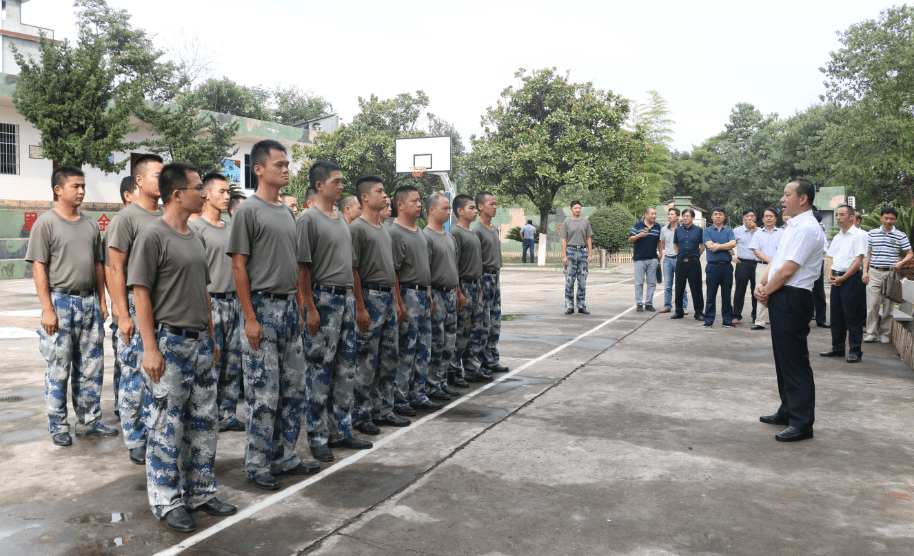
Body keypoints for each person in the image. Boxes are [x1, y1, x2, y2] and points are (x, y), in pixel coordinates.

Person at [128, 162, 237, 532]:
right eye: (196, 188)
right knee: (165, 425)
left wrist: (210, 335)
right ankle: (166, 500)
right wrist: (150, 347)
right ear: (177, 194)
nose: (203, 194)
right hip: (169, 342)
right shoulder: (152, 235)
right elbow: (140, 293)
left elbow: (203, 291)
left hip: (201, 344)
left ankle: (201, 492)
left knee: (204, 422)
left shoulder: (195, 236)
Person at [227, 140, 318, 491]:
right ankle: (257, 462)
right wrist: (250, 317)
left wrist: (303, 304)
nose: (286, 169)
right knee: (263, 393)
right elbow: (239, 266)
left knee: (293, 389)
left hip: (288, 309)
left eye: (287, 164)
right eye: (279, 164)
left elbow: (296, 266)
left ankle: (285, 455)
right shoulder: (247, 211)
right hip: (262, 308)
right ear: (259, 169)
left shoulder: (287, 212)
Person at [26, 166, 116, 447]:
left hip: (89, 301)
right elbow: (39, 267)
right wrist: (47, 309)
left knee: (92, 367)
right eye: (75, 186)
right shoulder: (46, 224)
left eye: (83, 186)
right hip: (60, 302)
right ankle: (58, 424)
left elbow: (98, 265)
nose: (81, 191)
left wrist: (102, 301)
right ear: (58, 189)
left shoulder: (90, 224)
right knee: (59, 367)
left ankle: (89, 422)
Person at [298, 163, 372, 462]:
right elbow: (302, 268)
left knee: (346, 368)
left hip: (345, 301)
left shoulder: (341, 219)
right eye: (336, 181)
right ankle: (317, 435)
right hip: (323, 299)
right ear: (319, 185)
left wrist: (356, 303)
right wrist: (310, 308)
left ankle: (342, 428)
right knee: (319, 370)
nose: (342, 186)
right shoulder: (308, 219)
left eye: (342, 181)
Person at [755, 179, 825, 442]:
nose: (782, 199)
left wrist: (767, 291)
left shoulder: (807, 229)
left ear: (803, 198)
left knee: (795, 361)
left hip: (793, 297)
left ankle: (802, 423)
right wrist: (762, 285)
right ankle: (788, 409)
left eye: (787, 195)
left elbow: (788, 270)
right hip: (781, 295)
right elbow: (777, 263)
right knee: (783, 359)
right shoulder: (793, 227)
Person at [106, 153, 164, 465]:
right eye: (156, 175)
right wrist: (122, 314)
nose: (162, 180)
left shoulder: (167, 216)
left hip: (162, 304)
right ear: (138, 181)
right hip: (132, 302)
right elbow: (115, 268)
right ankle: (136, 437)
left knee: (158, 373)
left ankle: (157, 431)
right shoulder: (126, 219)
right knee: (132, 374)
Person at [349, 175, 413, 432]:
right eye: (380, 191)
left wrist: (397, 301)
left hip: (387, 297)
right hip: (370, 296)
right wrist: (360, 306)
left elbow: (392, 271)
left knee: (389, 356)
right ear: (365, 197)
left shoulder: (384, 230)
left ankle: (383, 409)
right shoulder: (357, 229)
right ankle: (362, 414)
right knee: (366, 358)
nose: (385, 196)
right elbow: (354, 271)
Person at [189, 173, 244, 433]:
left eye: (228, 193)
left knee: (233, 363)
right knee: (211, 360)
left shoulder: (232, 229)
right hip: (210, 302)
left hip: (234, 301)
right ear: (206, 194)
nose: (226, 197)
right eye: (221, 192)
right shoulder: (196, 228)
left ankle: (228, 414)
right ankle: (207, 415)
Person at [390, 186, 442, 414]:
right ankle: (400, 399)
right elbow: (394, 272)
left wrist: (429, 295)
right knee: (406, 349)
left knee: (424, 348)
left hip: (423, 294)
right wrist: (399, 302)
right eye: (414, 201)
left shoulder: (419, 231)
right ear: (400, 205)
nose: (419, 204)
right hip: (408, 294)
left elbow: (426, 268)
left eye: (420, 200)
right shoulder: (395, 233)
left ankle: (418, 393)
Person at [423, 193, 464, 401]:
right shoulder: (427, 236)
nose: (449, 212)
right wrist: (429, 296)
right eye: (445, 208)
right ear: (432, 210)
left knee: (449, 341)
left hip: (449, 293)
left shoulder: (448, 236)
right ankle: (431, 384)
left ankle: (441, 380)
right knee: (436, 342)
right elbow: (425, 270)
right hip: (437, 293)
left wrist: (457, 291)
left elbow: (454, 265)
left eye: (449, 208)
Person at [821, 205, 867, 363]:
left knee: (852, 316)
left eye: (842, 215)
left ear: (852, 218)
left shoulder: (859, 235)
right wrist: (830, 274)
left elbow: (858, 260)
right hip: (836, 278)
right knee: (836, 315)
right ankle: (838, 348)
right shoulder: (838, 236)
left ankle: (855, 351)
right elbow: (830, 257)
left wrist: (844, 277)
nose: (838, 218)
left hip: (851, 279)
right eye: (837, 215)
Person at [450, 195, 488, 384]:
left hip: (475, 285)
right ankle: (455, 371)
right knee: (461, 331)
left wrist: (479, 287)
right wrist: (458, 291)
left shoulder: (472, 233)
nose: (475, 211)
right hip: (463, 285)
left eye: (475, 208)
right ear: (460, 211)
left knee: (476, 329)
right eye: (471, 208)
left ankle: (473, 368)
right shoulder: (456, 234)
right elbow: (455, 264)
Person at [862, 206, 914, 343]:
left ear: (895, 220)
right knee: (872, 305)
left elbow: (910, 254)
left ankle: (885, 334)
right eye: (886, 217)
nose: (888, 221)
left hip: (891, 275)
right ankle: (871, 333)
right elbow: (868, 254)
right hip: (873, 272)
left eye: (892, 218)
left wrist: (900, 264)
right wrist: (864, 272)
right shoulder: (872, 234)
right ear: (881, 218)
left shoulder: (900, 235)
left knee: (888, 307)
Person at [109, 175, 138, 416]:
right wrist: (118, 306)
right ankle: (123, 408)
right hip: (127, 299)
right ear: (128, 195)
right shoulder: (120, 222)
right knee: (126, 360)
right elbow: (111, 267)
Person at [474, 192, 509, 373]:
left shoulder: (494, 229)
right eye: (491, 204)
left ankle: (492, 358)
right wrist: (479, 284)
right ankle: (481, 360)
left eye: (496, 204)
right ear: (481, 206)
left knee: (495, 321)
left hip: (495, 277)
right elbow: (476, 260)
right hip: (484, 277)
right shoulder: (477, 231)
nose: (494, 207)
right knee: (484, 321)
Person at [748, 208, 782, 330]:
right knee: (761, 291)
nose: (768, 218)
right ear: (762, 219)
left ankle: (778, 321)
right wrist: (769, 261)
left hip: (779, 267)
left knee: (779, 292)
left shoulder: (782, 233)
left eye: (771, 216)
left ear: (775, 218)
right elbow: (755, 250)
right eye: (766, 216)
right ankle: (760, 321)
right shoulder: (757, 234)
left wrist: (774, 262)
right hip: (762, 265)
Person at [702, 207, 737, 328]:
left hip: (727, 267)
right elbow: (710, 246)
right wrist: (727, 248)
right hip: (712, 267)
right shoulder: (707, 231)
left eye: (720, 214)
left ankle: (727, 320)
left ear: (724, 217)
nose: (718, 216)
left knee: (726, 295)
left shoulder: (729, 231)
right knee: (711, 294)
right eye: (715, 214)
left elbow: (733, 243)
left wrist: (720, 246)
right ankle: (708, 320)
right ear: (711, 217)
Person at [561, 201, 594, 315]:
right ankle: (569, 306)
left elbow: (589, 238)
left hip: (583, 251)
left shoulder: (585, 222)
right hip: (570, 251)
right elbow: (564, 240)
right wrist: (564, 256)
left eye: (579, 208)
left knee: (582, 280)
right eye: (575, 208)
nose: (577, 210)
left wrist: (590, 254)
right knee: (569, 280)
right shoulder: (567, 222)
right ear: (571, 209)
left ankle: (581, 305)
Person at [671, 208, 703, 320]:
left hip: (694, 262)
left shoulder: (699, 230)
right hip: (680, 262)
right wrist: (679, 254)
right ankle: (678, 312)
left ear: (693, 218)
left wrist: (697, 254)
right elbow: (675, 244)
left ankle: (698, 312)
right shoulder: (678, 230)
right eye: (684, 216)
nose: (685, 218)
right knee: (679, 288)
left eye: (687, 216)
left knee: (696, 288)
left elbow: (703, 244)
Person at [629, 207, 662, 312]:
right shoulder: (638, 225)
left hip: (652, 258)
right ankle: (639, 303)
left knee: (652, 282)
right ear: (646, 214)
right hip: (639, 259)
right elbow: (630, 239)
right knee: (639, 283)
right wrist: (639, 235)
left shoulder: (657, 226)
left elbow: (659, 241)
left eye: (655, 214)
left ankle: (649, 303)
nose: (654, 216)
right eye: (652, 213)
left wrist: (661, 252)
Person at [732, 208, 760, 325]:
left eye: (752, 216)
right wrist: (732, 256)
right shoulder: (736, 231)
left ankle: (756, 316)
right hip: (742, 263)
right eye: (747, 216)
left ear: (755, 218)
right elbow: (729, 244)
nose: (750, 218)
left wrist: (755, 228)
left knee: (757, 290)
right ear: (743, 218)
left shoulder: (760, 231)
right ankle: (736, 315)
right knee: (740, 290)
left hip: (757, 264)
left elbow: (764, 242)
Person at [659, 208, 688, 314]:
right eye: (668, 214)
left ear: (678, 217)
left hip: (680, 260)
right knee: (667, 285)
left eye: (672, 214)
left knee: (682, 285)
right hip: (667, 260)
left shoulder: (683, 229)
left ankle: (684, 306)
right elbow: (663, 243)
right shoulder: (664, 230)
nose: (669, 216)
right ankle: (667, 305)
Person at [810, 208, 829, 328]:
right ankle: (805, 317)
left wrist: (823, 251)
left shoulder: (821, 232)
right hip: (804, 265)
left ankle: (821, 320)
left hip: (818, 263)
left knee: (819, 291)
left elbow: (826, 246)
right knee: (804, 291)